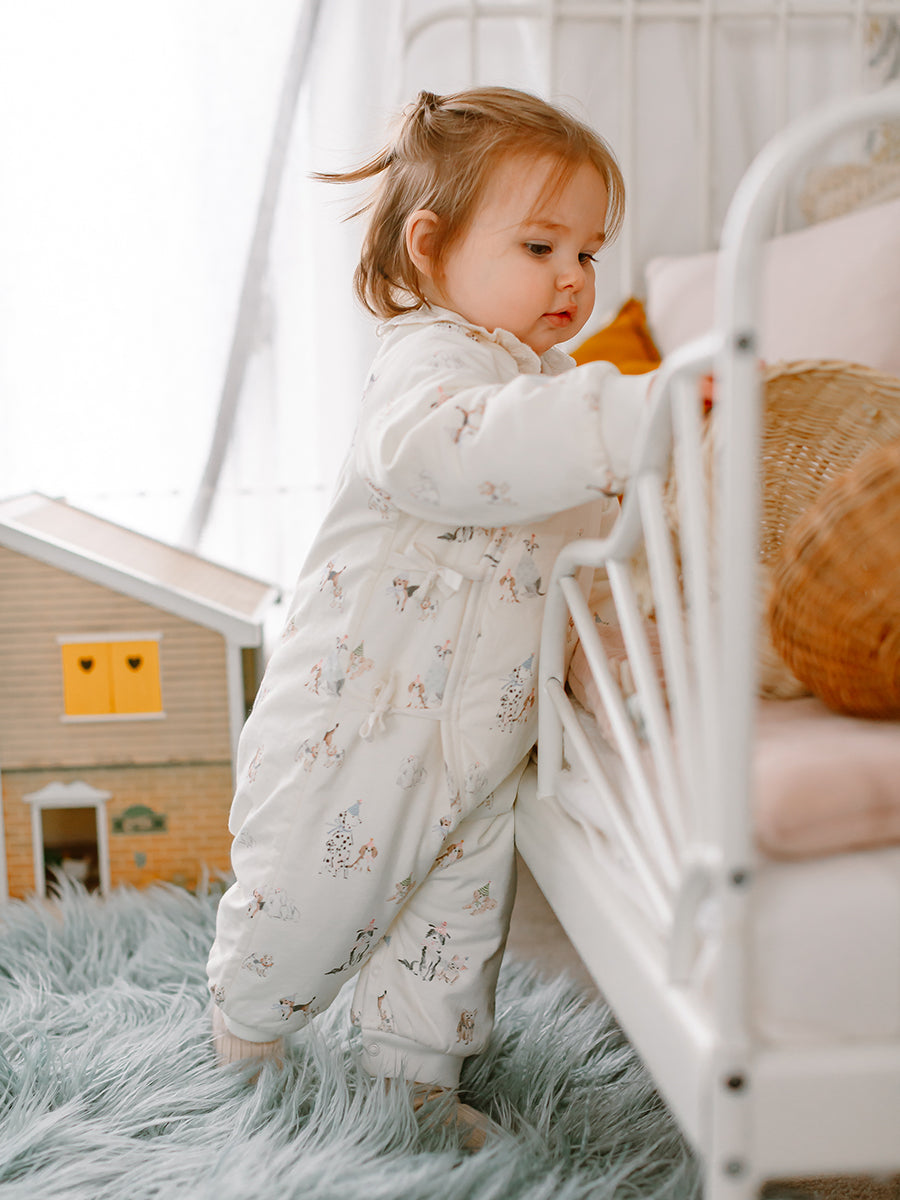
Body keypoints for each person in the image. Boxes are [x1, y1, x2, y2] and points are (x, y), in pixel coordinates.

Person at [206, 85, 655, 1147]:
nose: (573, 277)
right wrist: (621, 415)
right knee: (310, 898)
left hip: (481, 731)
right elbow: (456, 452)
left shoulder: (546, 386)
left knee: (454, 923)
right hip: (358, 719)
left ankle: (412, 1080)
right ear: (430, 245)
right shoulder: (431, 364)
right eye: (541, 246)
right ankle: (244, 1031)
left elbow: (584, 537)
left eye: (588, 253)